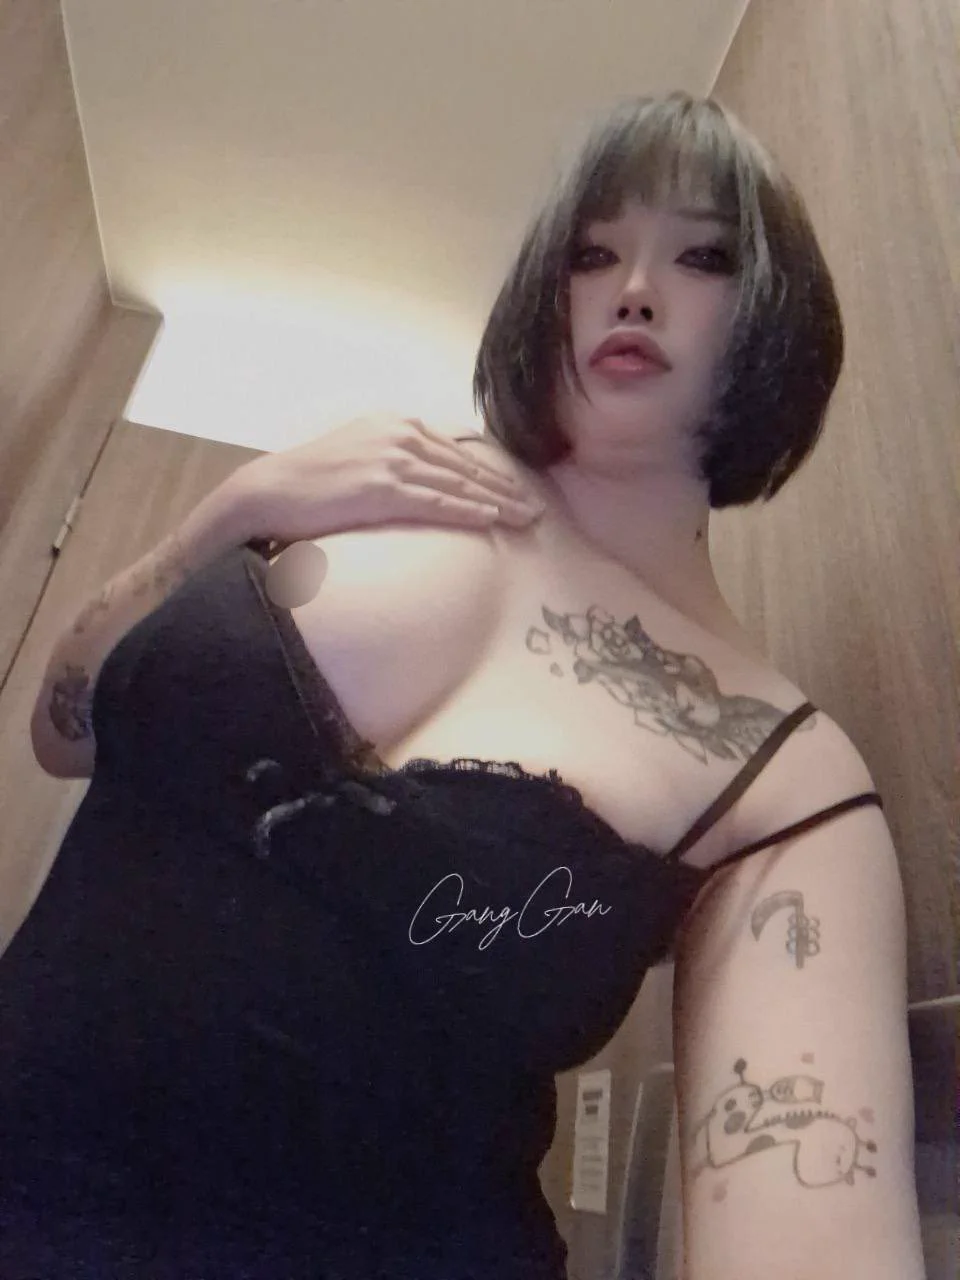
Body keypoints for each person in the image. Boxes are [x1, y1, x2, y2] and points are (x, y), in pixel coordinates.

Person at [4, 92, 924, 1279]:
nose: (636, 288)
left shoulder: (785, 770)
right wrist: (232, 511)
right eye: (593, 253)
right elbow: (62, 730)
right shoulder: (357, 484)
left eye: (703, 257)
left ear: (777, 315)